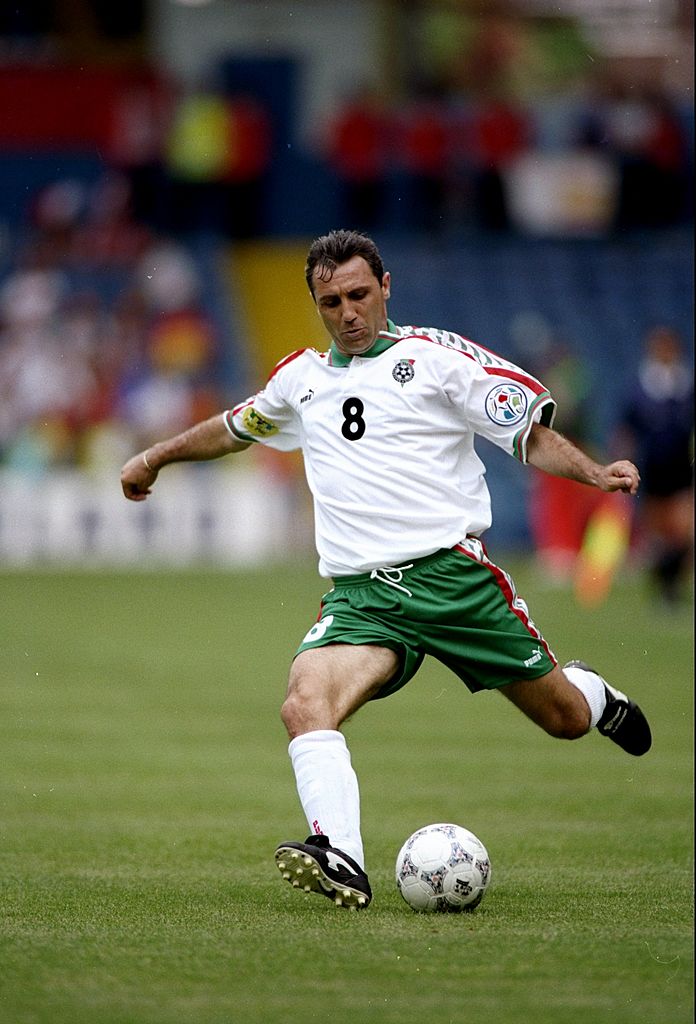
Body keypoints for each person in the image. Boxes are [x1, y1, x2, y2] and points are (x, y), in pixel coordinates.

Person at [121, 229, 652, 911]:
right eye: (331, 302)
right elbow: (231, 427)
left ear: (385, 287)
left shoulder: (436, 359)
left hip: (453, 583)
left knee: (565, 719)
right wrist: (155, 457)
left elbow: (529, 435)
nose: (347, 313)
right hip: (362, 598)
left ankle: (594, 695)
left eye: (358, 295)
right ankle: (341, 856)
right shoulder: (300, 380)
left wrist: (596, 473)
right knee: (304, 702)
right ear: (317, 303)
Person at [617, 325, 693, 604]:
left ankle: (672, 583)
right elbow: (627, 429)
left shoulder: (686, 385)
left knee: (684, 531)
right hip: (652, 469)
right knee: (657, 534)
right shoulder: (641, 387)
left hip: (682, 469)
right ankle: (663, 587)